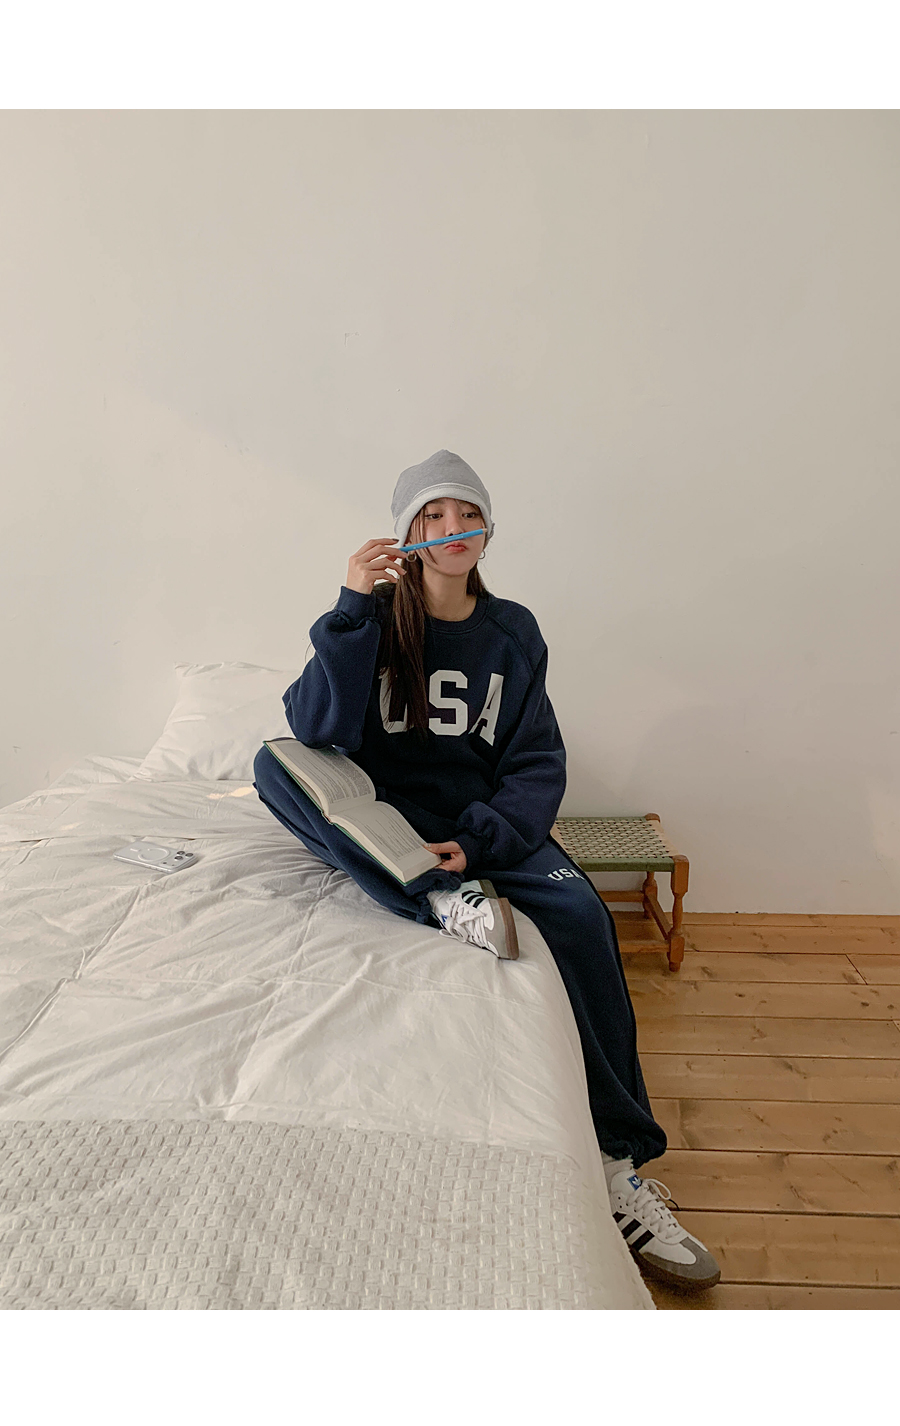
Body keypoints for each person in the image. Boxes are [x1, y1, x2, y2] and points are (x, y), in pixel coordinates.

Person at [253, 448, 720, 1292]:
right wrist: (351, 606)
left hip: (482, 828)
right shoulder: (372, 620)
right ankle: (437, 901)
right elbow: (318, 729)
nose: (450, 527)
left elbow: (536, 759)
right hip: (389, 828)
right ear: (406, 533)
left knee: (582, 919)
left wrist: (483, 842)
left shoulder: (513, 632)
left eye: (465, 512)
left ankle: (618, 1167)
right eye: (430, 514)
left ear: (487, 529)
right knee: (273, 762)